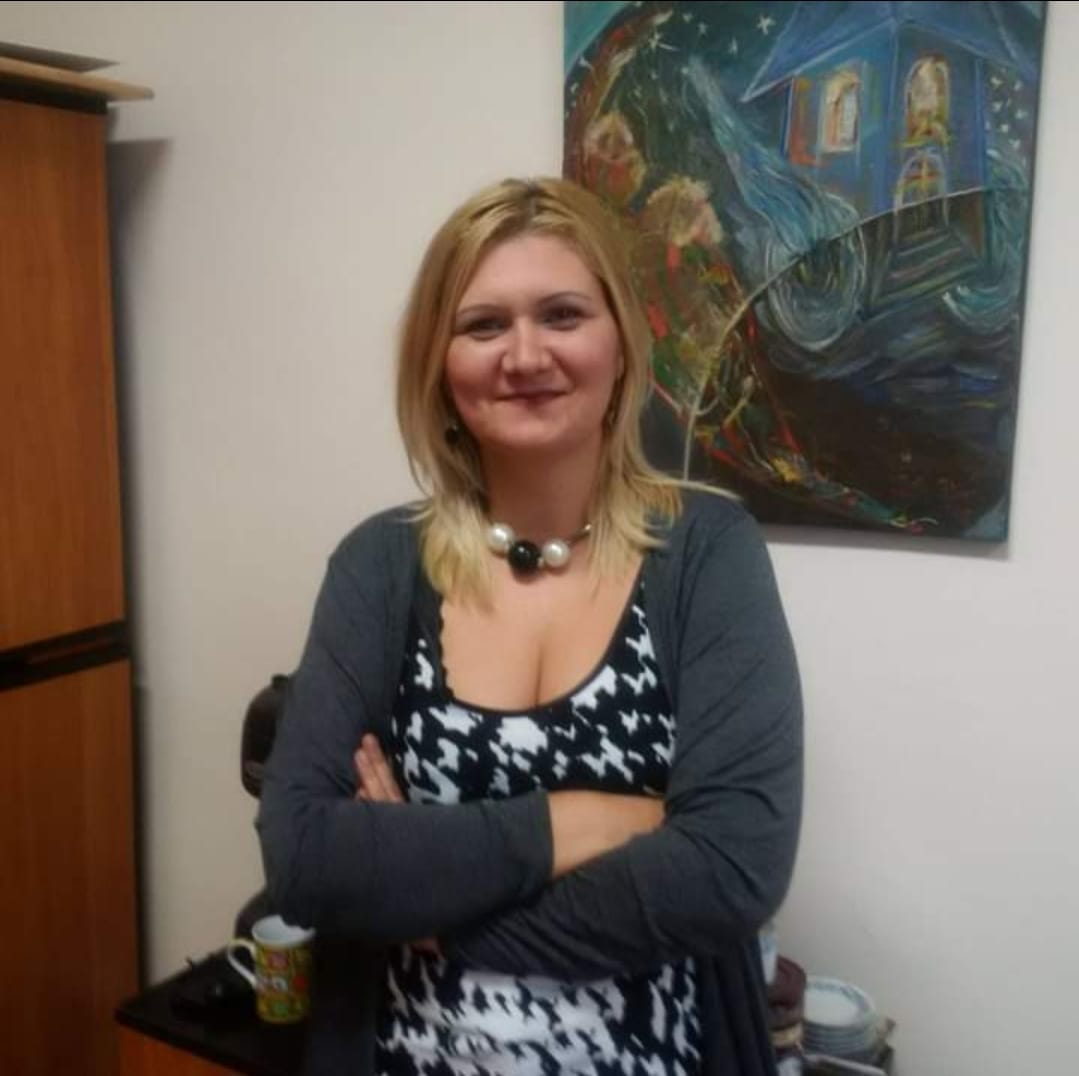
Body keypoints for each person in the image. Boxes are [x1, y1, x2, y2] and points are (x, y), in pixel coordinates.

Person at [256, 176, 803, 1076]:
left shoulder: (708, 553)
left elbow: (727, 871)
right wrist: (577, 820)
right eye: (482, 325)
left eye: (561, 315)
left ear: (620, 344)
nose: (524, 355)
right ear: (438, 363)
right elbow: (307, 858)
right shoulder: (379, 566)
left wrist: (430, 915)